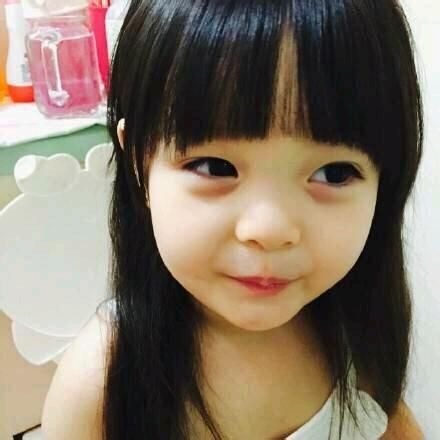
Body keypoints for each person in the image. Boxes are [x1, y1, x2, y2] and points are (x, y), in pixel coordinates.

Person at [42, 0, 426, 439]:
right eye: (215, 167)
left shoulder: (352, 333)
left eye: (334, 173)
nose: (269, 230)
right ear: (138, 164)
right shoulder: (102, 383)